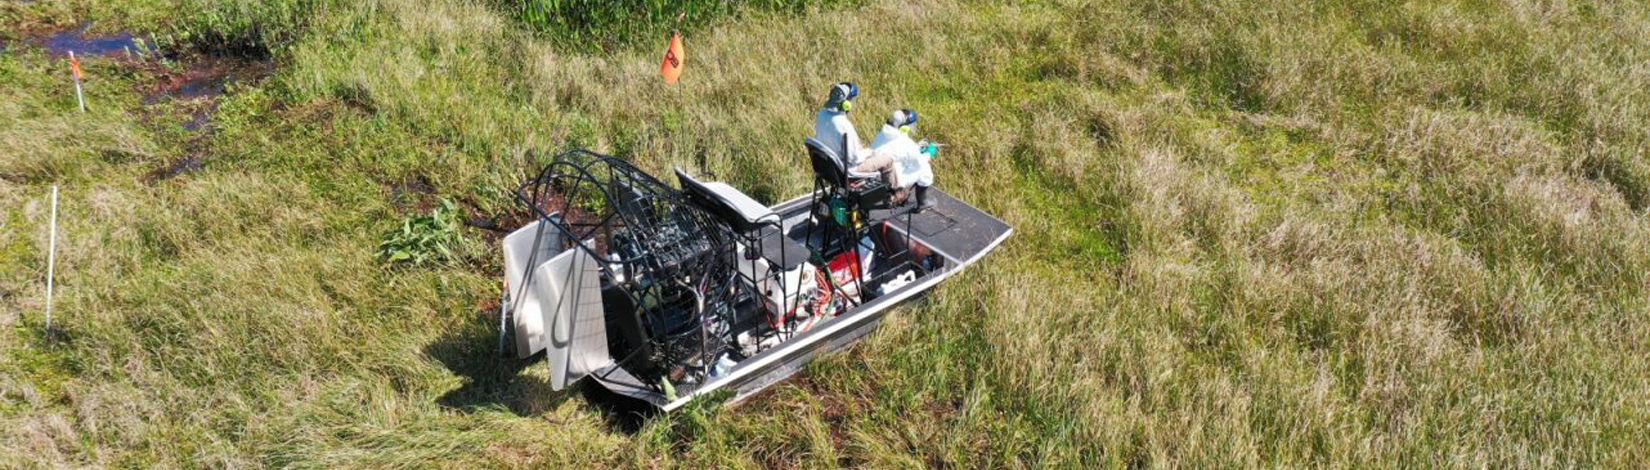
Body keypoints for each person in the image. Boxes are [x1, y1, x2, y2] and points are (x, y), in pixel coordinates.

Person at [853, 108, 937, 210]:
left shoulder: (881, 135)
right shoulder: (907, 144)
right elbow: (919, 162)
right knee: (925, 168)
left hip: (875, 177)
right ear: (904, 128)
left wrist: (916, 147)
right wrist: (929, 153)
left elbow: (897, 150)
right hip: (891, 180)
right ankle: (923, 202)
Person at [813, 82, 872, 170]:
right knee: (886, 160)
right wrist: (869, 152)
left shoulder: (821, 115)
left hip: (828, 168)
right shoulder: (843, 124)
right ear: (846, 104)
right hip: (846, 170)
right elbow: (852, 159)